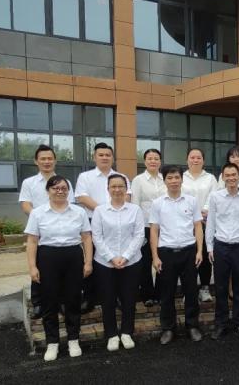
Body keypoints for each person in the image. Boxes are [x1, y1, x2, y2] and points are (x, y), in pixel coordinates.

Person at [25, 175, 92, 361]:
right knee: (49, 301)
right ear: (48, 191)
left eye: (63, 188)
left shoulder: (78, 212)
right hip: (47, 257)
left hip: (73, 256)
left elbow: (86, 237)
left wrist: (88, 262)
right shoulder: (38, 213)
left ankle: (73, 339)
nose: (60, 191)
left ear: (68, 191)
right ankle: (52, 342)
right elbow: (32, 241)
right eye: (55, 188)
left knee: (73, 300)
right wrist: (32, 267)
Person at [19, 144, 75, 319]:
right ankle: (38, 302)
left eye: (50, 158)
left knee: (63, 269)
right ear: (36, 161)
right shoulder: (29, 182)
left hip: (62, 229)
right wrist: (40, 219)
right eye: (43, 159)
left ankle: (62, 302)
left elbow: (71, 205)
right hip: (40, 229)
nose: (46, 161)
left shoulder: (65, 182)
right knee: (38, 265)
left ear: (55, 161)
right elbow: (25, 204)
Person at [149, 165, 204, 345]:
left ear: (182, 179)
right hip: (166, 253)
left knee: (191, 291)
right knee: (166, 293)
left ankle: (192, 326)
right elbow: (154, 230)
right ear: (164, 181)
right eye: (170, 178)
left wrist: (199, 251)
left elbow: (198, 226)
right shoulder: (157, 203)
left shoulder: (191, 201)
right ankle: (168, 328)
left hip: (189, 251)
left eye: (177, 177)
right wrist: (155, 256)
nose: (174, 181)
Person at [75, 142, 131, 313]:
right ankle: (89, 297)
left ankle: (118, 297)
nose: (104, 157)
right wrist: (104, 212)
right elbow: (81, 198)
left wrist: (112, 212)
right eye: (101, 155)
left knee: (117, 256)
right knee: (92, 258)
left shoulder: (121, 177)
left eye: (108, 155)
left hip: (119, 222)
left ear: (112, 158)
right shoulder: (85, 177)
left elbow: (127, 197)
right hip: (92, 221)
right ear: (94, 157)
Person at [92, 174, 145, 352]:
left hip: (132, 262)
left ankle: (127, 332)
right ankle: (112, 335)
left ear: (126, 188)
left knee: (129, 299)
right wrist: (111, 258)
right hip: (105, 263)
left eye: (120, 186)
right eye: (113, 186)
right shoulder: (100, 211)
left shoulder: (135, 210)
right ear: (108, 189)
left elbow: (139, 235)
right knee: (107, 300)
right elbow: (97, 237)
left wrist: (126, 256)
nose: (117, 190)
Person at [206, 163, 239, 340]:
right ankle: (221, 324)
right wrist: (210, 247)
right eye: (227, 175)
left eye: (234, 174)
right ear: (223, 177)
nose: (231, 178)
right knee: (220, 288)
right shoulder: (215, 197)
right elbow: (211, 223)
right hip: (221, 247)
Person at [131, 148, 166, 307]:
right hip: (145, 225)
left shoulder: (165, 178)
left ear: (160, 161)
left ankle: (160, 293)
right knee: (146, 260)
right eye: (150, 158)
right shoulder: (138, 180)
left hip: (164, 226)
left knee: (162, 259)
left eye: (156, 158)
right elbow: (135, 204)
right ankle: (147, 294)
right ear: (144, 161)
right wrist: (137, 227)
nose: (153, 161)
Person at [182, 148, 218, 303]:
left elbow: (213, 196)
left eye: (198, 157)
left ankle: (204, 288)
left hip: (205, 221)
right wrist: (191, 214)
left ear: (203, 160)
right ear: (187, 160)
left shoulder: (210, 178)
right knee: (188, 257)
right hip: (185, 222)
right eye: (192, 157)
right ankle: (189, 290)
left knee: (204, 255)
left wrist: (205, 211)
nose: (195, 160)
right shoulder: (182, 177)